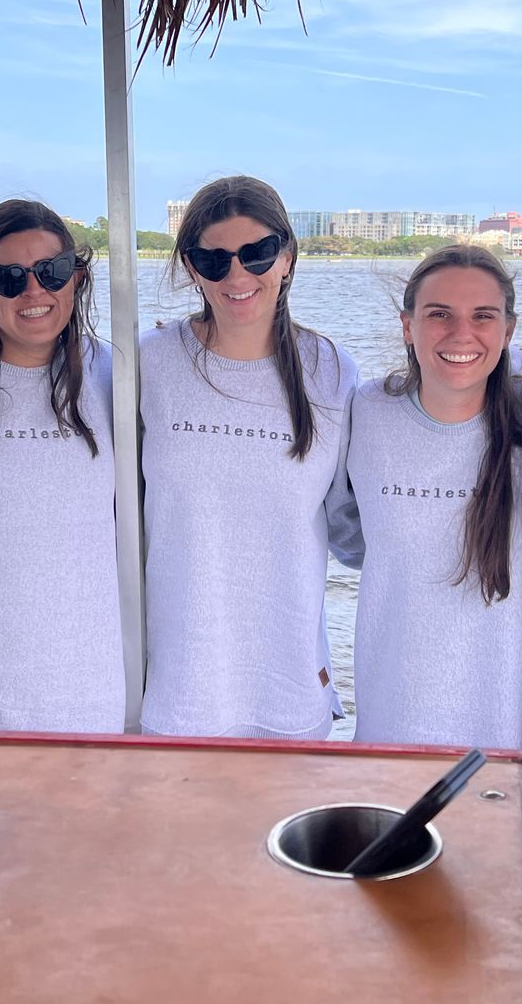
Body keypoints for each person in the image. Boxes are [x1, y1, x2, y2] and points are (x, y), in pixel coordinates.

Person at [138, 175, 358, 739]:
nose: (237, 275)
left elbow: (352, 526)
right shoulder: (149, 363)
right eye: (213, 260)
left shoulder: (333, 370)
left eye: (256, 254)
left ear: (286, 256)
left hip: (290, 687)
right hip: (180, 689)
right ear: (191, 268)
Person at [344, 244, 522, 749]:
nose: (462, 334)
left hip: (510, 736)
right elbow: (346, 534)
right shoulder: (367, 411)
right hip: (390, 725)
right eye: (440, 315)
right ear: (406, 325)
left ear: (509, 330)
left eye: (483, 316)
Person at [0, 199, 123, 732]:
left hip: (93, 695)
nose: (34, 291)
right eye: (9, 277)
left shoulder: (117, 375)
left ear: (77, 277)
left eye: (52, 271)